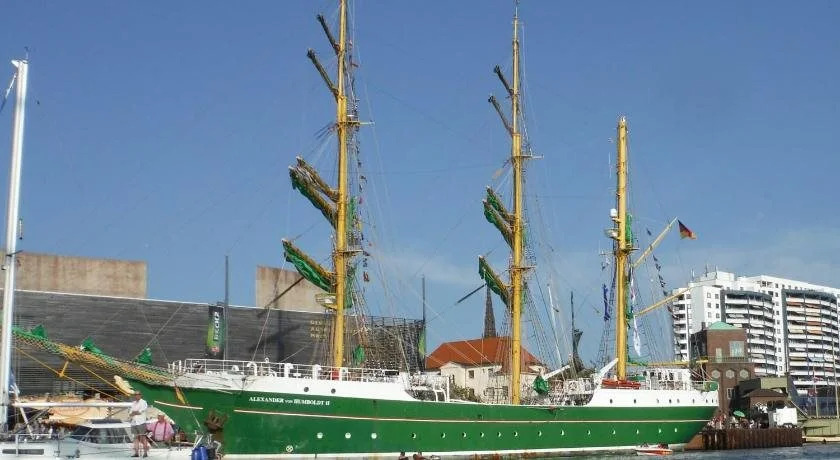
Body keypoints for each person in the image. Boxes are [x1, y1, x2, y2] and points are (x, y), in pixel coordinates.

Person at [129, 392, 150, 457]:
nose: (136, 396)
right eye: (135, 395)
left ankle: (145, 453)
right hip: (134, 422)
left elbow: (140, 412)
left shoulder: (143, 402)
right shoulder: (133, 403)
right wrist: (135, 412)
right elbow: (130, 413)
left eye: (138, 394)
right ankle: (136, 453)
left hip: (141, 422)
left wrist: (134, 412)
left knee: (143, 437)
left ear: (140, 395)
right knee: (135, 438)